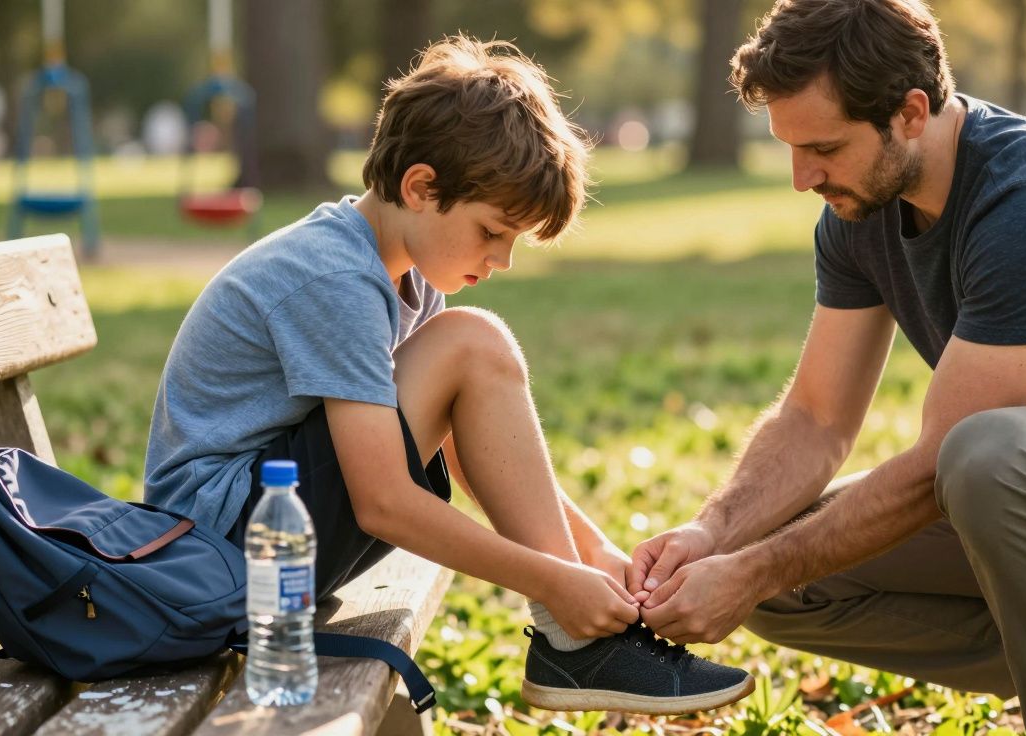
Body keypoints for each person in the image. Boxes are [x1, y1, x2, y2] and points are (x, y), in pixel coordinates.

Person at [626, 1, 1026, 733]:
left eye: (825, 148)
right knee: (771, 565)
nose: (801, 177)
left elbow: (944, 459)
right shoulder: (859, 208)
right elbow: (815, 417)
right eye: (790, 148)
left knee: (986, 452)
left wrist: (750, 569)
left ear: (909, 112)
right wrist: (714, 539)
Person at [143, 36, 752, 715]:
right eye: (493, 231)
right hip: (221, 559)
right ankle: (574, 646)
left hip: (260, 544)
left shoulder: (397, 269)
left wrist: (597, 557)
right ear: (421, 187)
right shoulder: (336, 278)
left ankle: (575, 642)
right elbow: (382, 502)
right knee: (474, 341)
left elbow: (468, 448)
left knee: (469, 340)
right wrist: (556, 583)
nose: (503, 259)